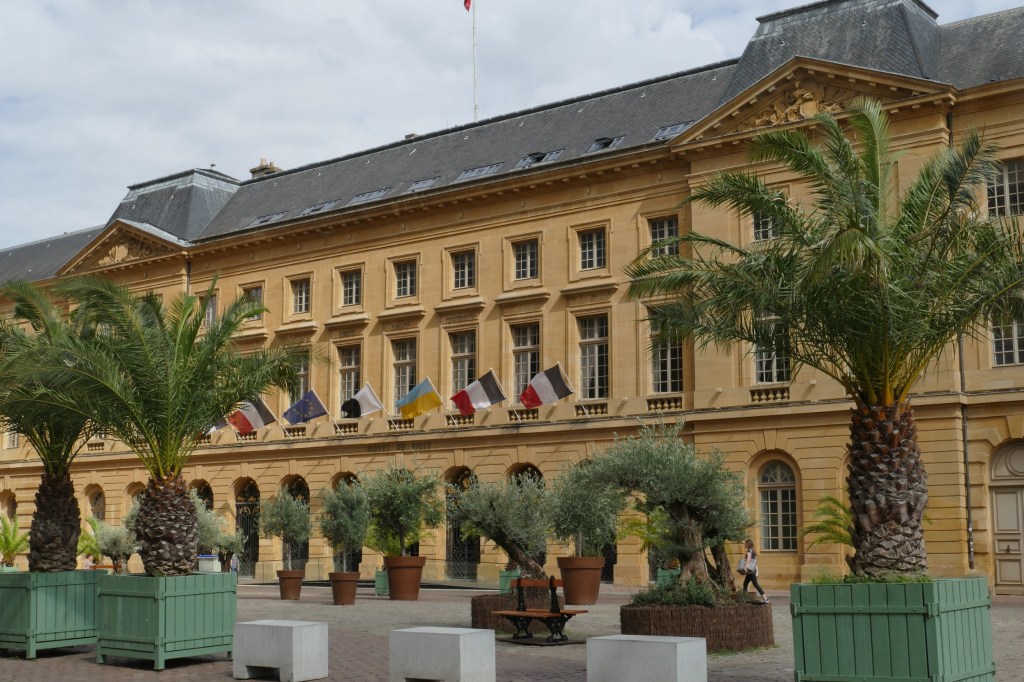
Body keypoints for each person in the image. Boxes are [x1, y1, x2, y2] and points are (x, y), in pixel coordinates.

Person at [740, 538, 768, 604]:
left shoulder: (749, 551)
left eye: (745, 543)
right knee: (745, 583)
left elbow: (748, 559)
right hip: (752, 570)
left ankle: (765, 599)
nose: (744, 544)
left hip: (750, 570)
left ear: (748, 544)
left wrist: (745, 566)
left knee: (755, 584)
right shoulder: (752, 550)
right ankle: (744, 599)